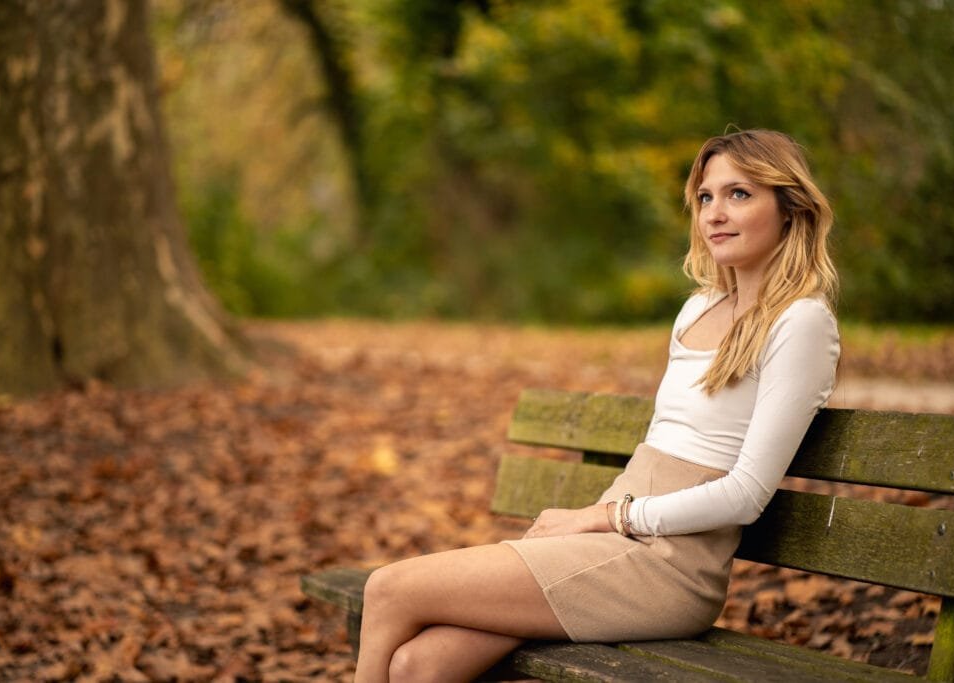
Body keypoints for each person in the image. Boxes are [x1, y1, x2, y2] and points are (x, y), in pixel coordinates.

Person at [353, 129, 841, 683]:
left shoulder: (800, 323)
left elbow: (746, 495)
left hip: (669, 568)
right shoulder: (699, 309)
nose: (715, 214)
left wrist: (608, 517)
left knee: (387, 589)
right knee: (421, 665)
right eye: (706, 197)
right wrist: (604, 521)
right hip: (614, 538)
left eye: (740, 194)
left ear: (791, 207)